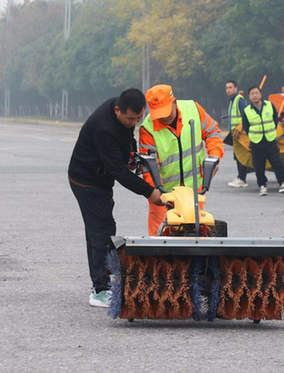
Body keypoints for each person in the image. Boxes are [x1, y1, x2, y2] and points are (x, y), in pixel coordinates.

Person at [68, 89, 164, 308]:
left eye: (139, 119)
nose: (134, 123)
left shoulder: (122, 113)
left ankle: (102, 281)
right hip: (86, 181)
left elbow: (127, 140)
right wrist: (150, 192)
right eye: (130, 119)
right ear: (117, 110)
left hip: (100, 179)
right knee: (101, 231)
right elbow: (119, 173)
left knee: (98, 230)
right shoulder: (104, 128)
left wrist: (130, 155)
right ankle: (100, 290)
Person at [139, 84, 224, 236]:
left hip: (194, 192)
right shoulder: (148, 128)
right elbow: (148, 166)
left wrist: (214, 156)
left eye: (165, 111)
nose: (163, 117)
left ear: (174, 102)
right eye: (158, 113)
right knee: (160, 241)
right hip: (163, 196)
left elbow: (212, 132)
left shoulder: (194, 110)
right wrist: (154, 191)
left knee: (196, 235)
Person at [240, 86, 284, 196]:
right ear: (249, 96)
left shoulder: (269, 105)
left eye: (256, 93)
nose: (255, 95)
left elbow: (275, 120)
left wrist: (269, 133)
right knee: (259, 166)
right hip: (257, 143)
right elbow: (246, 127)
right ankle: (262, 186)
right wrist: (254, 136)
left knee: (277, 162)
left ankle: (282, 183)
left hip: (270, 140)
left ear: (260, 94)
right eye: (252, 94)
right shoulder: (247, 111)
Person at [225, 80, 249, 188]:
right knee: (238, 156)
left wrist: (240, 129)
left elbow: (245, 116)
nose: (228, 89)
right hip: (236, 134)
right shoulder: (232, 101)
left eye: (230, 87)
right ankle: (240, 177)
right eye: (227, 88)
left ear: (236, 88)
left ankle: (242, 179)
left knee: (240, 157)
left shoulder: (239, 100)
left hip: (240, 134)